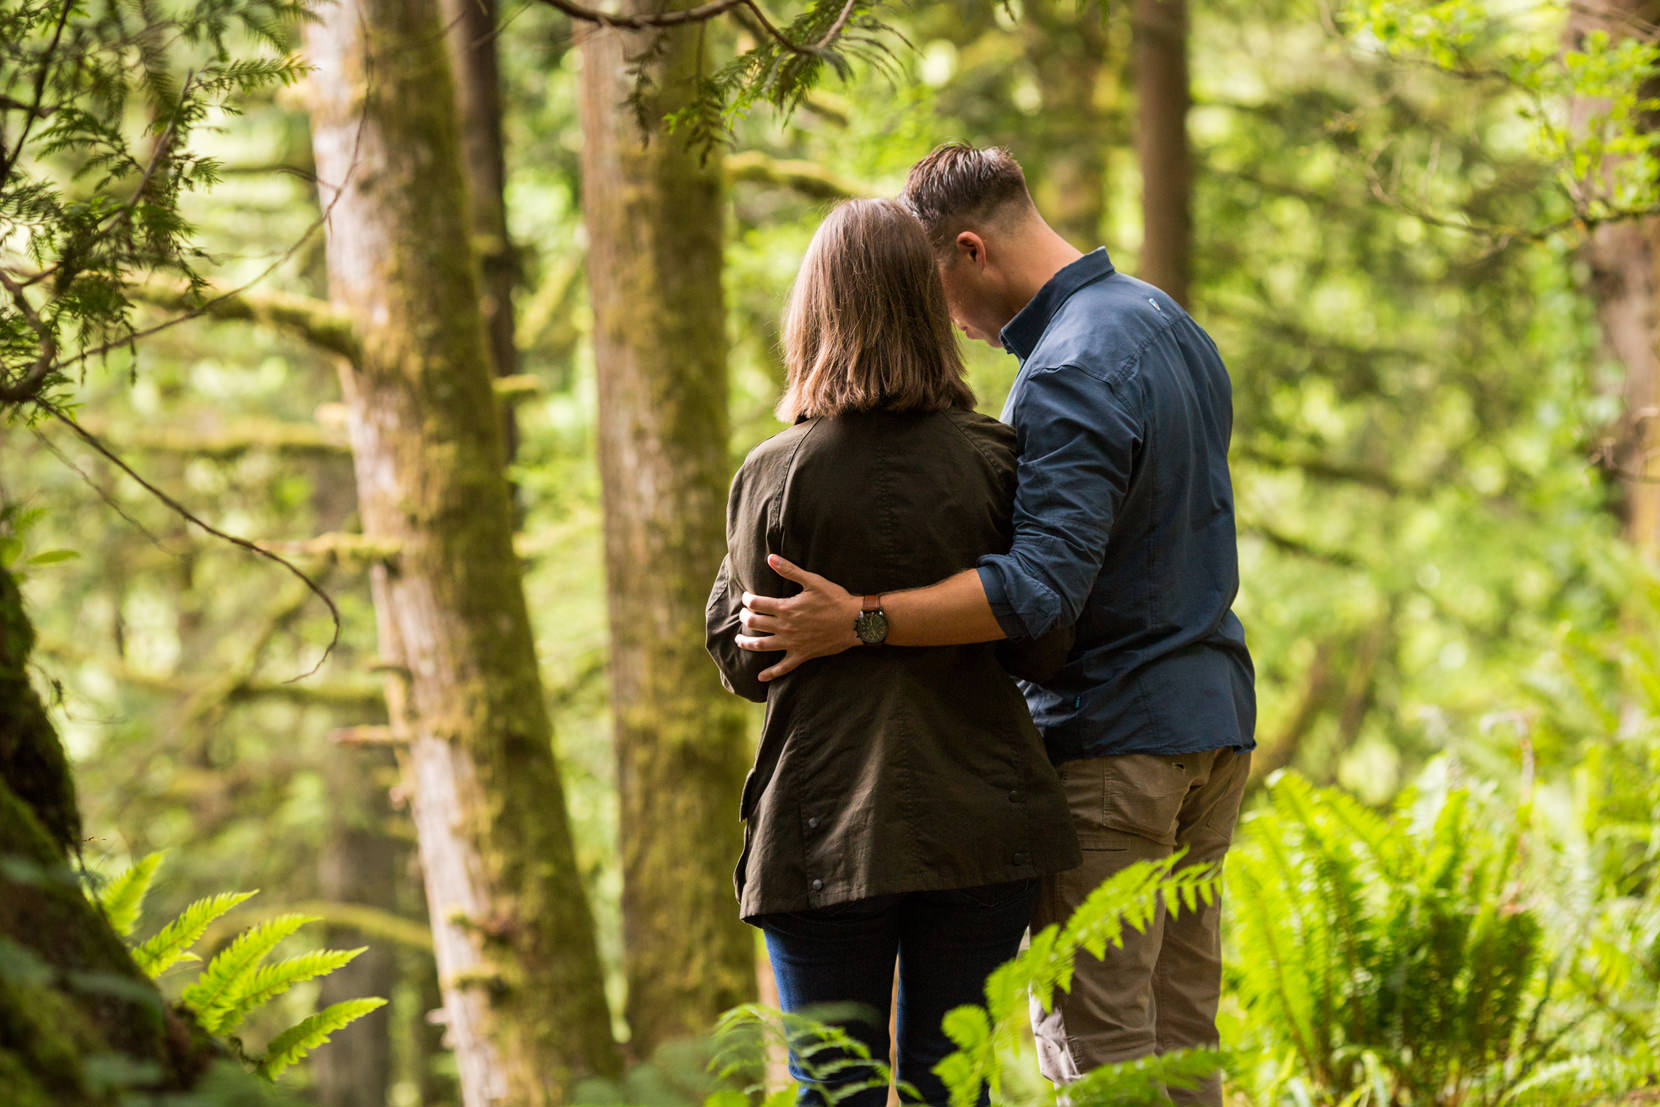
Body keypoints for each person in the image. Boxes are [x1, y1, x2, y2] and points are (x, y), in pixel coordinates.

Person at [732, 145, 1257, 1107]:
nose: (948, 328)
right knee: (1182, 1049)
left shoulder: (1063, 370)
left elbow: (1036, 594)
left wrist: (862, 618)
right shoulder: (1165, 322)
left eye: (936, 293)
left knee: (1100, 1058)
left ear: (969, 251)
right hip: (1211, 726)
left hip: (1115, 747)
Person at [705, 197, 1081, 1107]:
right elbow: (1047, 640)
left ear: (815, 311)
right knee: (953, 1092)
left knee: (836, 1093)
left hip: (819, 825)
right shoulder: (999, 458)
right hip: (982, 822)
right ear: (926, 307)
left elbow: (746, 661)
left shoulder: (774, 472)